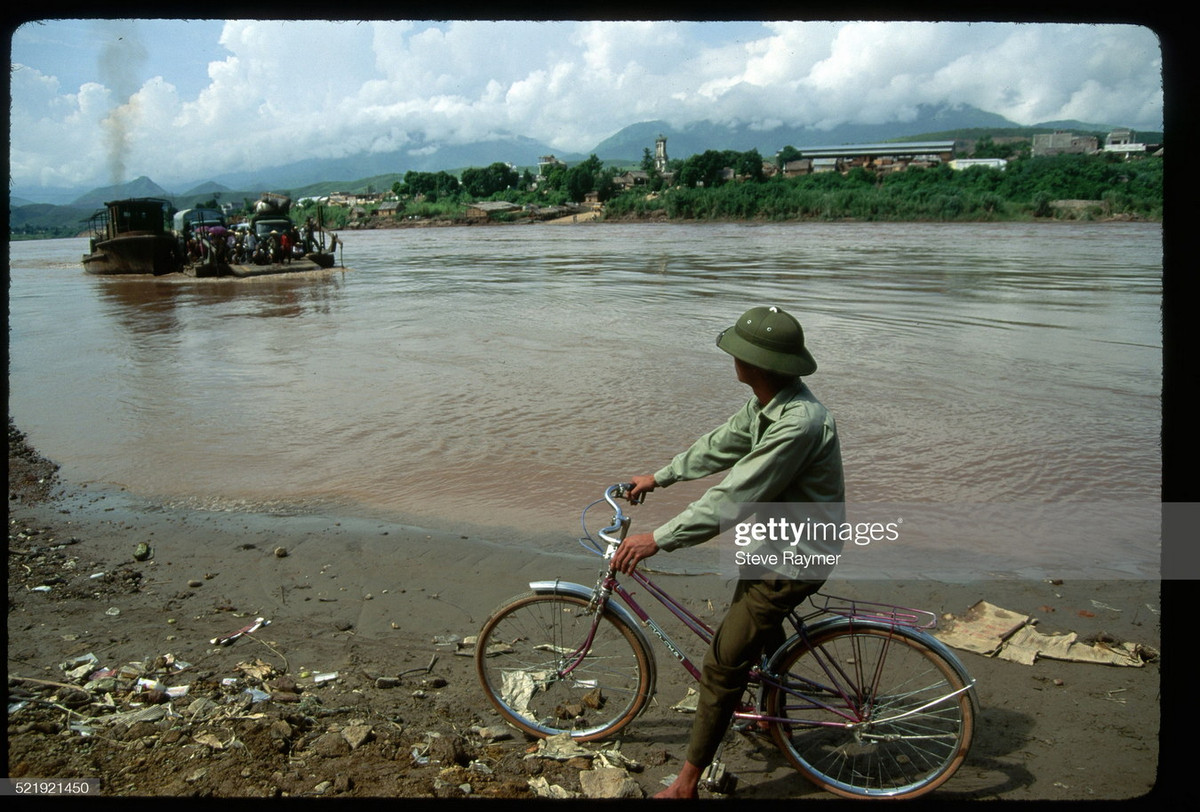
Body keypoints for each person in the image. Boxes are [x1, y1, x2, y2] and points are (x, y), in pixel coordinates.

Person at [611, 305, 845, 799]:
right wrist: (661, 475)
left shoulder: (796, 424)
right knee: (760, 639)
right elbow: (721, 444)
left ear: (755, 363)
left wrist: (659, 537)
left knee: (722, 666)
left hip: (796, 555)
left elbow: (734, 497)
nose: (732, 358)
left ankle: (685, 785)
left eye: (738, 352)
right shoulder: (769, 401)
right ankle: (769, 713)